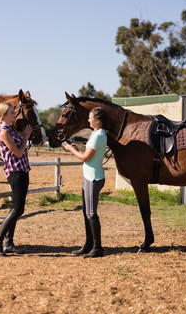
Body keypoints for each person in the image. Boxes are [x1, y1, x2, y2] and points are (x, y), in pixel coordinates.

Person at [63, 107, 108, 258]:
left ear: (97, 120)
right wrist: (78, 148)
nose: (88, 120)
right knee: (86, 212)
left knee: (91, 213)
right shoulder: (96, 134)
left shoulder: (98, 135)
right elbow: (89, 152)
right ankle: (89, 245)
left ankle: (97, 247)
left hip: (93, 178)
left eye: (90, 118)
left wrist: (70, 149)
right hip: (90, 176)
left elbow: (85, 158)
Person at [0, 102, 32, 256]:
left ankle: (8, 243)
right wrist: (25, 137)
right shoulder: (3, 132)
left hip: (22, 170)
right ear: (3, 115)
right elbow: (18, 153)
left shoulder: (10, 129)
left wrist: (23, 137)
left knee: (16, 208)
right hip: (15, 172)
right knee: (17, 209)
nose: (15, 114)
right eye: (11, 112)